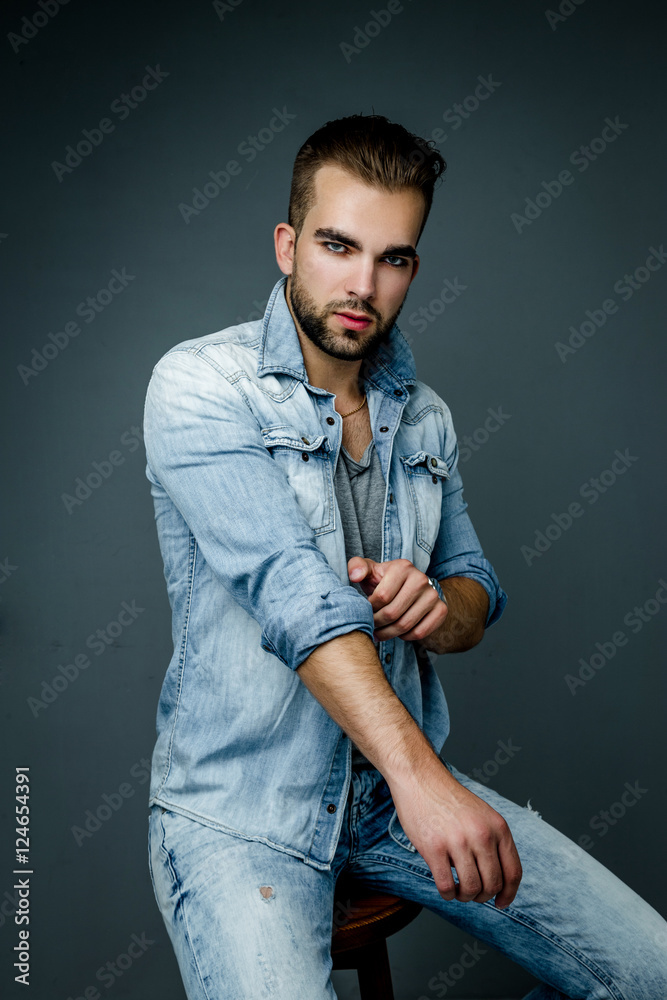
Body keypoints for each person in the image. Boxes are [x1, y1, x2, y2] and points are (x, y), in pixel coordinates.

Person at [143, 114, 667, 999]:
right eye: (337, 246)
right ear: (286, 244)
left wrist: (437, 604)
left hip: (385, 802)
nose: (361, 283)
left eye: (391, 257)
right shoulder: (198, 386)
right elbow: (293, 596)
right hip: (245, 812)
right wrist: (424, 782)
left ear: (412, 268)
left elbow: (476, 591)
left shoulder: (423, 417)